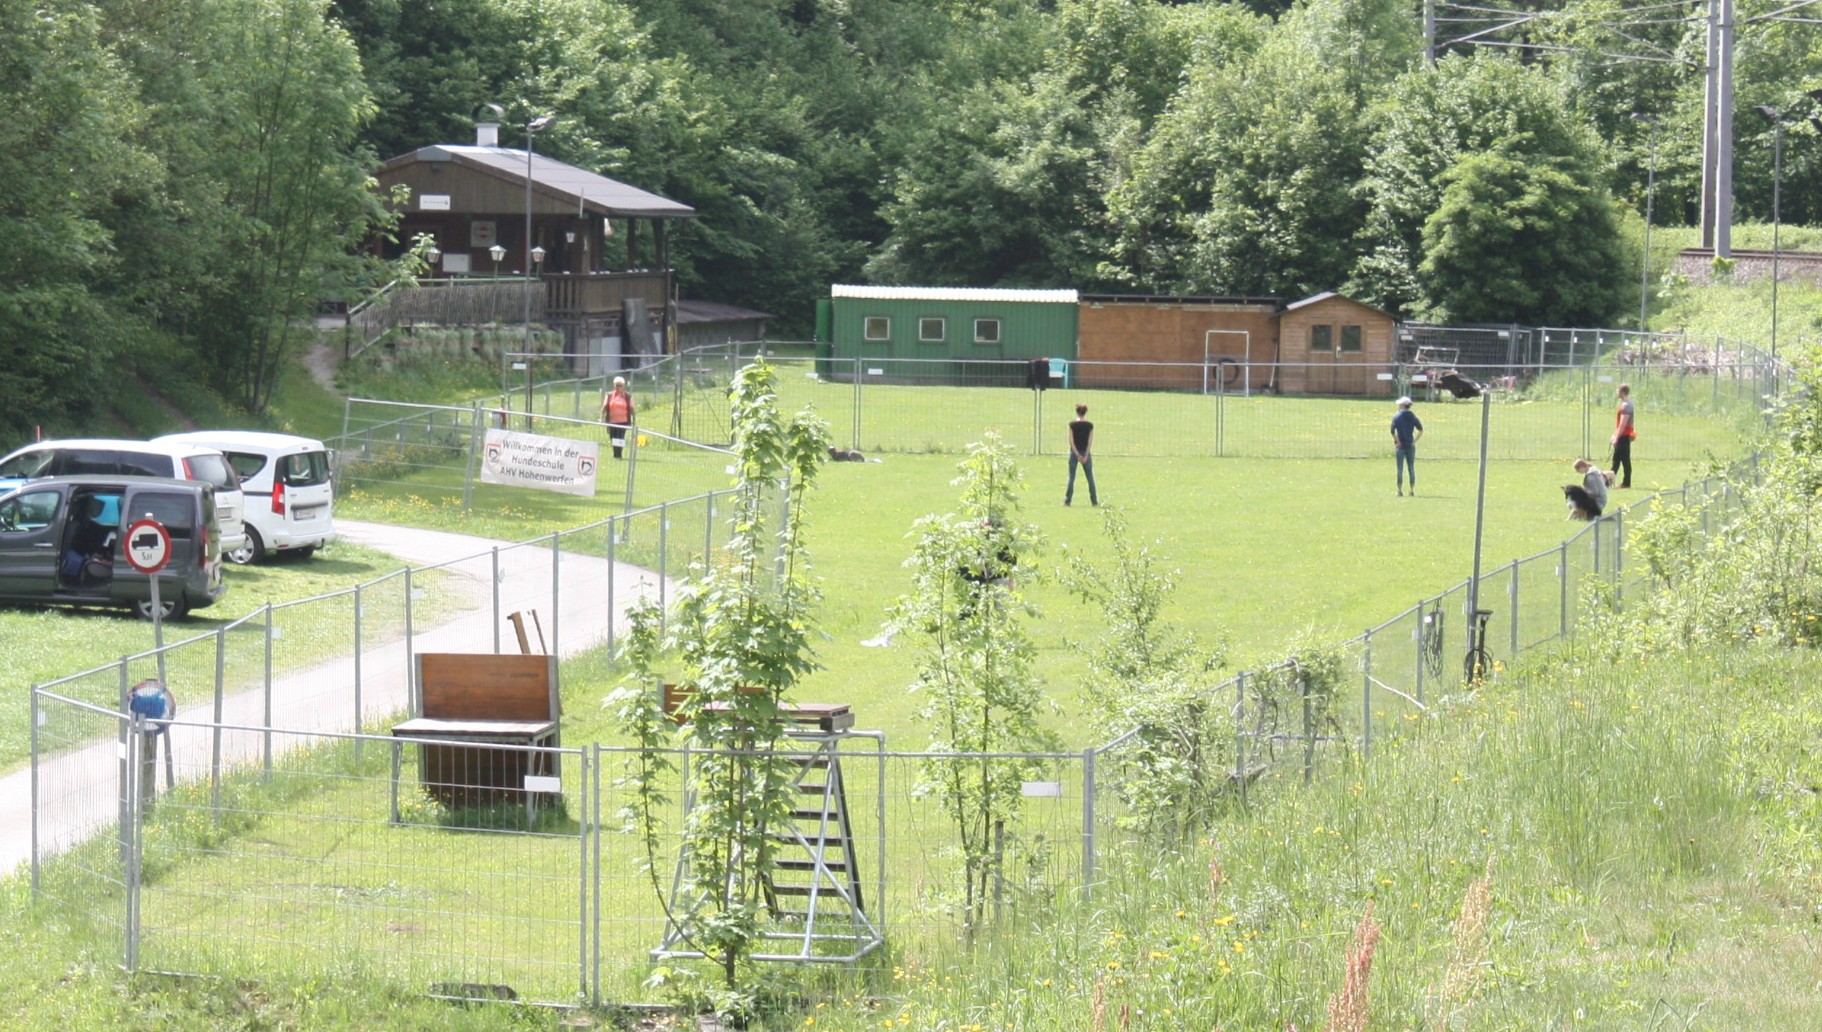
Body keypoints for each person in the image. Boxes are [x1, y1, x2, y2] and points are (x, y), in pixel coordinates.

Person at [1065, 403, 1098, 506]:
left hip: (1074, 453)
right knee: (1090, 477)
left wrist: (1077, 454)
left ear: (1077, 412)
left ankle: (1067, 501)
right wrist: (1086, 455)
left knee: (1071, 477)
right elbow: (1090, 441)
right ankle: (1094, 501)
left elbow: (1071, 441)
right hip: (1085, 452)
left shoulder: (1072, 425)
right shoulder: (1090, 426)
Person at [1390, 396, 1423, 496]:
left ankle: (1399, 490)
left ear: (1403, 405)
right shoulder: (1413, 417)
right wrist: (1414, 441)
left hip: (1400, 446)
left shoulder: (1396, 416)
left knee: (1399, 468)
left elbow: (1392, 431)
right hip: (1410, 445)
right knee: (1411, 467)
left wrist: (1397, 441)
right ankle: (1411, 490)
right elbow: (1421, 430)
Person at [600, 376, 635, 459]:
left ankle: (619, 455)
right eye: (617, 385)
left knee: (620, 438)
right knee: (613, 437)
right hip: (612, 421)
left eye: (620, 385)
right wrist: (601, 417)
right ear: (614, 385)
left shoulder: (627, 396)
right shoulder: (609, 395)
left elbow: (632, 408)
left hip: (623, 421)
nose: (618, 387)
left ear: (624, 386)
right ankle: (615, 453)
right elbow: (604, 406)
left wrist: (634, 419)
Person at [1610, 383, 1636, 488]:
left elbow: (1623, 423)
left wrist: (1617, 437)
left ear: (1622, 392)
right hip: (1623, 435)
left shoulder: (1626, 405)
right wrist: (1614, 434)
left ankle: (1611, 482)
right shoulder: (1626, 403)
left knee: (1618, 460)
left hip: (1624, 436)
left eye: (1618, 390)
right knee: (1622, 459)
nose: (1616, 392)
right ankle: (1625, 482)